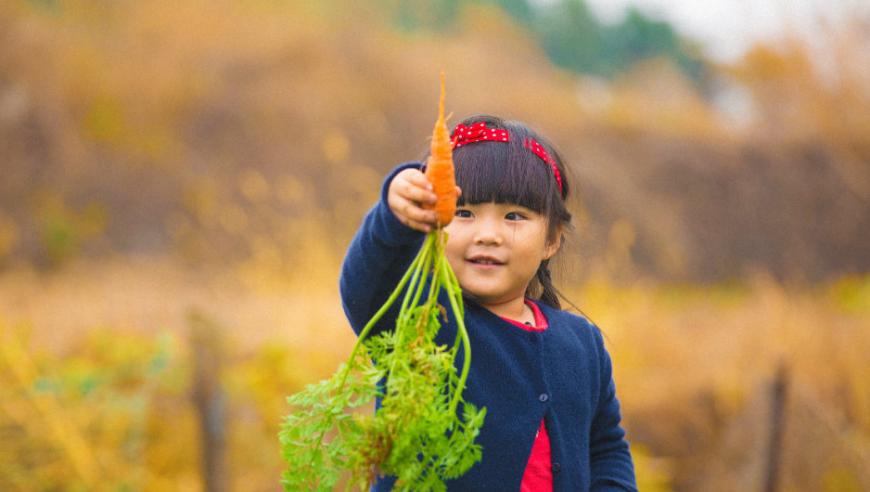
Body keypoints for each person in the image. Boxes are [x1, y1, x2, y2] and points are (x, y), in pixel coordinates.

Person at [340, 114, 637, 491]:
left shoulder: (582, 343)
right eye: (463, 213)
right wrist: (395, 218)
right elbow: (367, 286)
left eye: (514, 216)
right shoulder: (423, 320)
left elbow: (606, 447)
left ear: (552, 239)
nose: (488, 235)